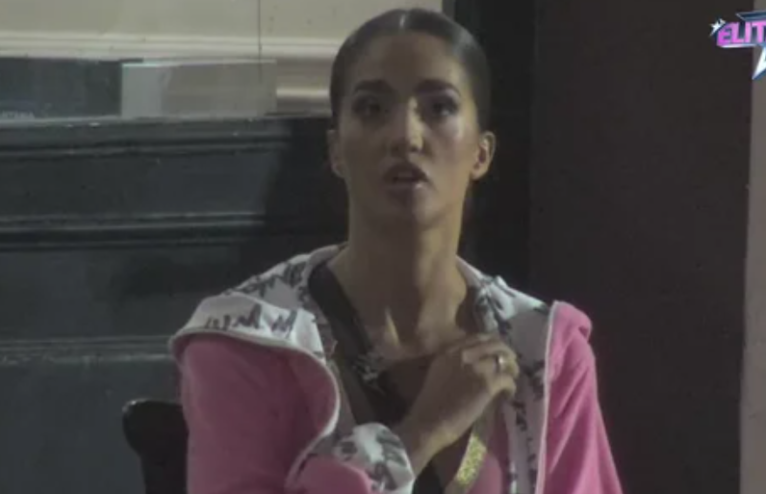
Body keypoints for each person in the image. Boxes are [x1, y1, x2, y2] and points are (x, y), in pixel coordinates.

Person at [171, 8, 623, 494]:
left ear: (482, 153)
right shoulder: (249, 341)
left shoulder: (543, 351)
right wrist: (420, 433)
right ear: (336, 150)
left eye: (440, 108)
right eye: (372, 109)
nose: (405, 136)